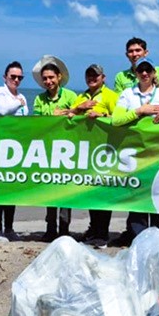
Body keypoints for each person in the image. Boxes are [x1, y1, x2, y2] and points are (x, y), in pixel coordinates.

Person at [111, 58, 159, 246]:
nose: (145, 73)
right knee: (137, 196)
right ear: (136, 73)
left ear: (154, 73)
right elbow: (116, 120)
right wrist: (140, 111)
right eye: (141, 70)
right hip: (135, 153)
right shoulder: (127, 94)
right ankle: (138, 239)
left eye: (148, 70)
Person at [69, 64, 119, 248]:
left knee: (104, 191)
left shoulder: (111, 96)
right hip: (86, 150)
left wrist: (103, 114)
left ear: (103, 77)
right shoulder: (80, 97)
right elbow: (69, 118)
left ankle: (102, 232)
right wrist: (79, 109)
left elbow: (120, 117)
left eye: (95, 75)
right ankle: (94, 228)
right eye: (88, 75)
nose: (92, 78)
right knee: (90, 190)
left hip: (106, 149)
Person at [31, 55, 77, 241]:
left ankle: (64, 229)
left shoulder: (71, 96)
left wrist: (71, 113)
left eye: (51, 77)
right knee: (49, 190)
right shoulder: (39, 99)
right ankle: (50, 228)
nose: (48, 81)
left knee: (65, 190)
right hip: (48, 151)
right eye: (45, 78)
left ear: (59, 77)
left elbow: (77, 117)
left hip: (68, 150)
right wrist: (55, 115)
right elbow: (38, 122)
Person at [0, 61, 28, 242]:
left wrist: (19, 102)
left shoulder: (22, 96)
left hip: (16, 148)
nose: (16, 80)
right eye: (13, 76)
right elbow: (2, 110)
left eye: (20, 77)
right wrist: (18, 103)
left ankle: (10, 228)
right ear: (5, 77)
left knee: (12, 188)